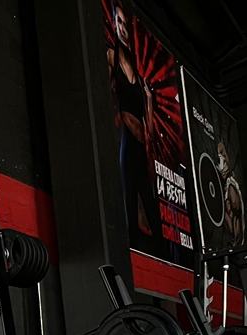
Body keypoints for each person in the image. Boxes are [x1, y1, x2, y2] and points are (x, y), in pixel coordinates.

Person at [108, 2, 175, 264]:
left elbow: (150, 129)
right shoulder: (111, 57)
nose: (123, 29)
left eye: (126, 23)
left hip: (141, 148)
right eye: (119, 23)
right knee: (129, 208)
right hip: (125, 142)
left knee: (152, 211)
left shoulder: (138, 71)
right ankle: (130, 262)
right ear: (114, 26)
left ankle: (163, 265)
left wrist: (148, 99)